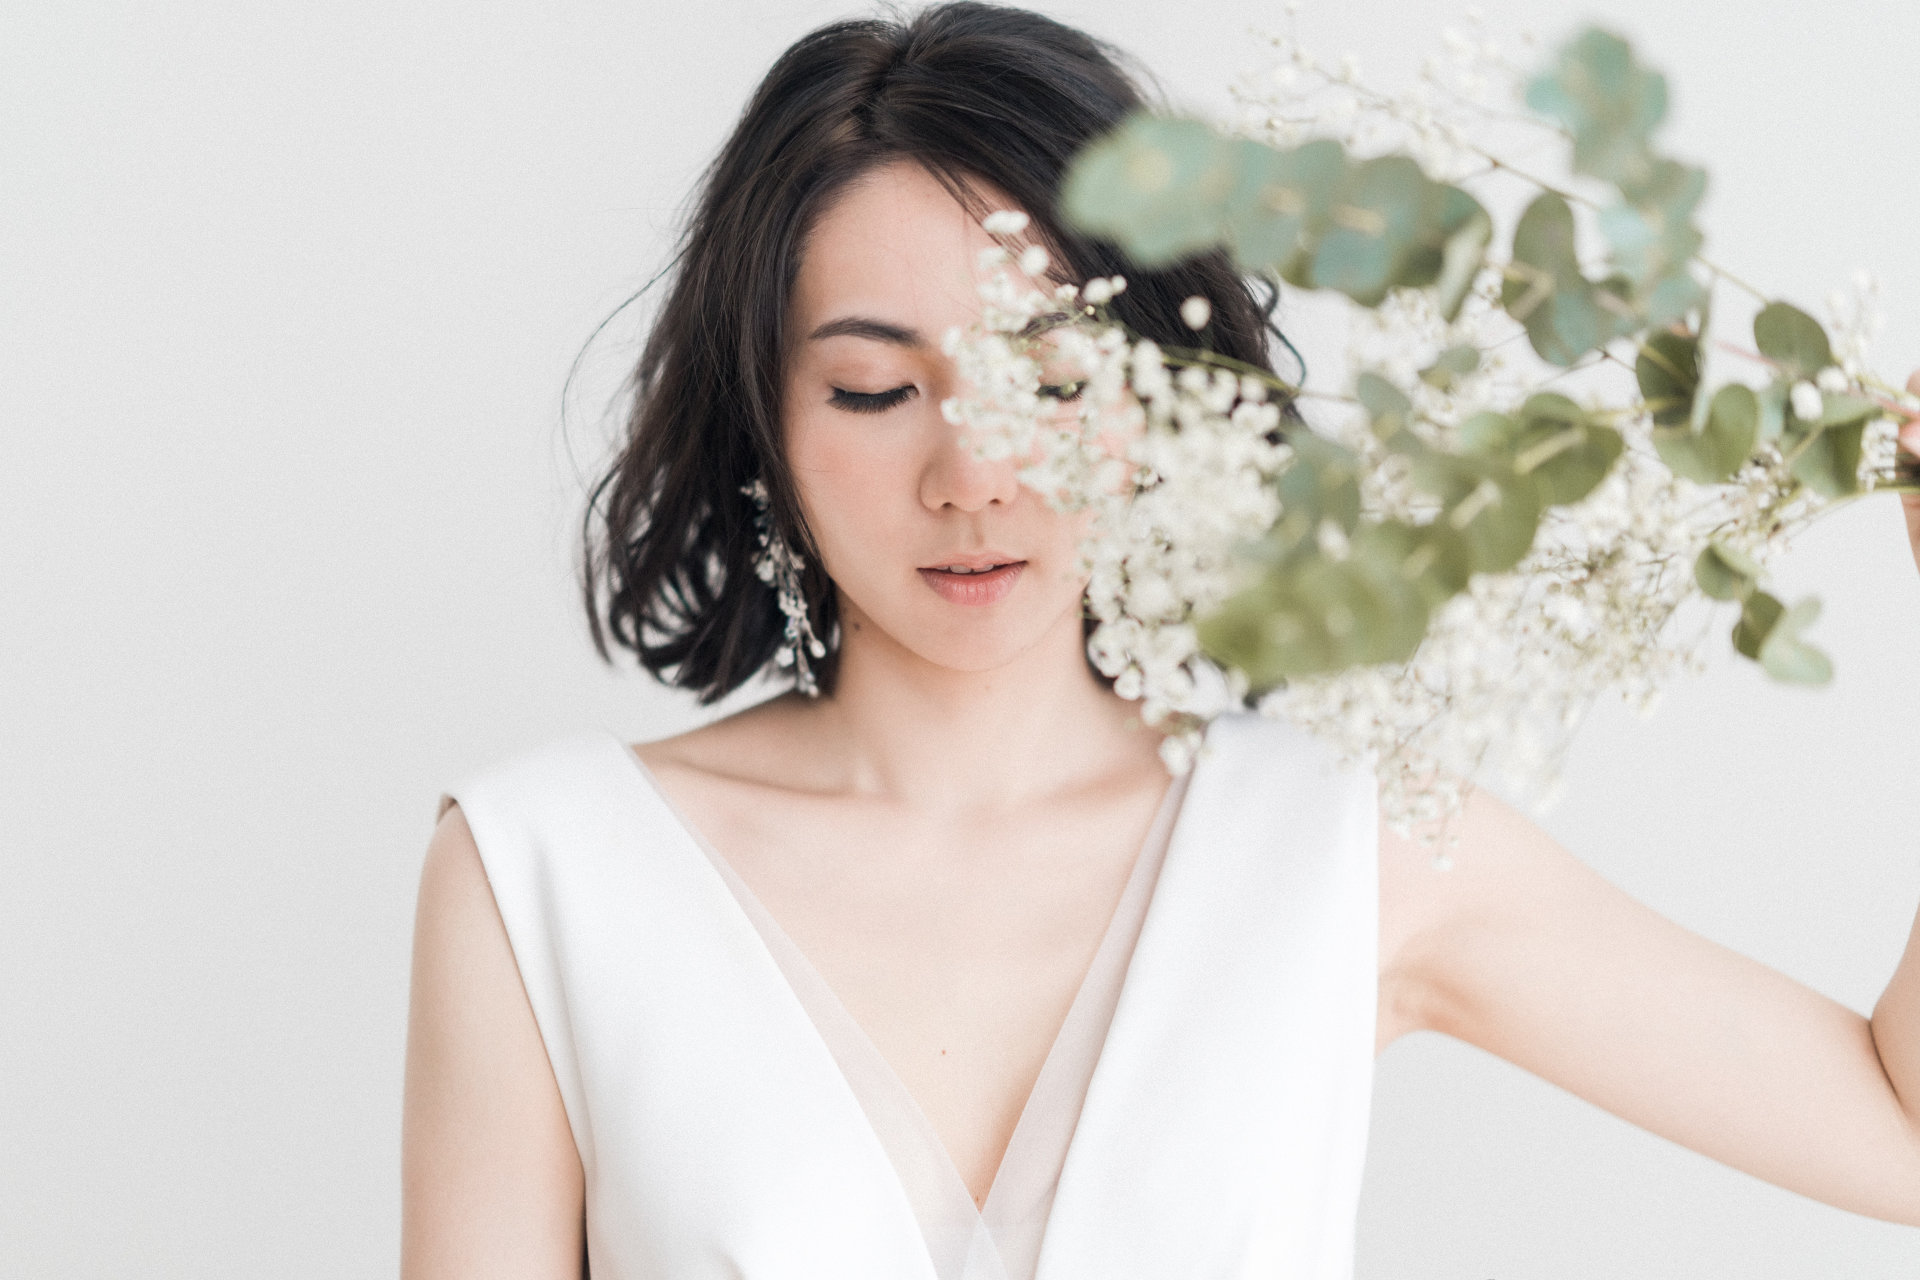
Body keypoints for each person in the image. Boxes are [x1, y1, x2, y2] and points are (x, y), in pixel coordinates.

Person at [399, 4, 1920, 1276]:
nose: (973, 473)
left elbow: (1899, 1131)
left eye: (1054, 381)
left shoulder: (1343, 845)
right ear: (766, 422)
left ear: (1163, 390)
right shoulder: (547, 878)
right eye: (876, 391)